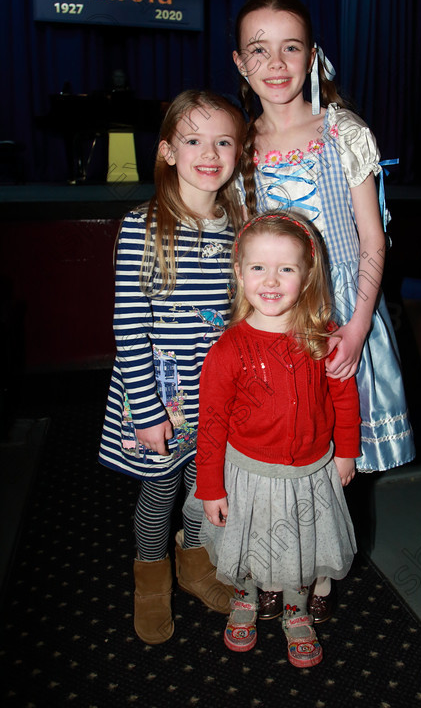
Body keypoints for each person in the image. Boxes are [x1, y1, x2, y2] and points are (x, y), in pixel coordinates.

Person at [231, 0, 416, 620]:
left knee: (339, 467)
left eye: (290, 47)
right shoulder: (239, 144)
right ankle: (272, 571)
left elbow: (373, 237)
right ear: (239, 62)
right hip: (273, 333)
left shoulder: (344, 132)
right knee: (279, 459)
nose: (275, 62)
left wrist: (360, 325)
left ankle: (319, 577)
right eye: (260, 49)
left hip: (344, 323)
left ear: (312, 56)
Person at [99, 89, 246, 645]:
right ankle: (150, 581)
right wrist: (144, 409)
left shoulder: (237, 229)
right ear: (166, 150)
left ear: (238, 151)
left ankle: (194, 566)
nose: (209, 153)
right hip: (160, 395)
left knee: (201, 483)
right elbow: (129, 330)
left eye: (223, 141)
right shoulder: (144, 226)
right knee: (161, 489)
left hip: (215, 393)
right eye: (193, 140)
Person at [193, 212, 361, 668]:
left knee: (301, 543)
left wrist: (346, 451)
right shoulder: (226, 350)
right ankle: (245, 599)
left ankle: (296, 609)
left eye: (285, 268)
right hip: (248, 473)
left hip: (311, 472)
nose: (271, 280)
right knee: (249, 541)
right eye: (258, 268)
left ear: (307, 276)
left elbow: (344, 398)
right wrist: (210, 487)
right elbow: (210, 423)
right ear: (239, 273)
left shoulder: (321, 339)